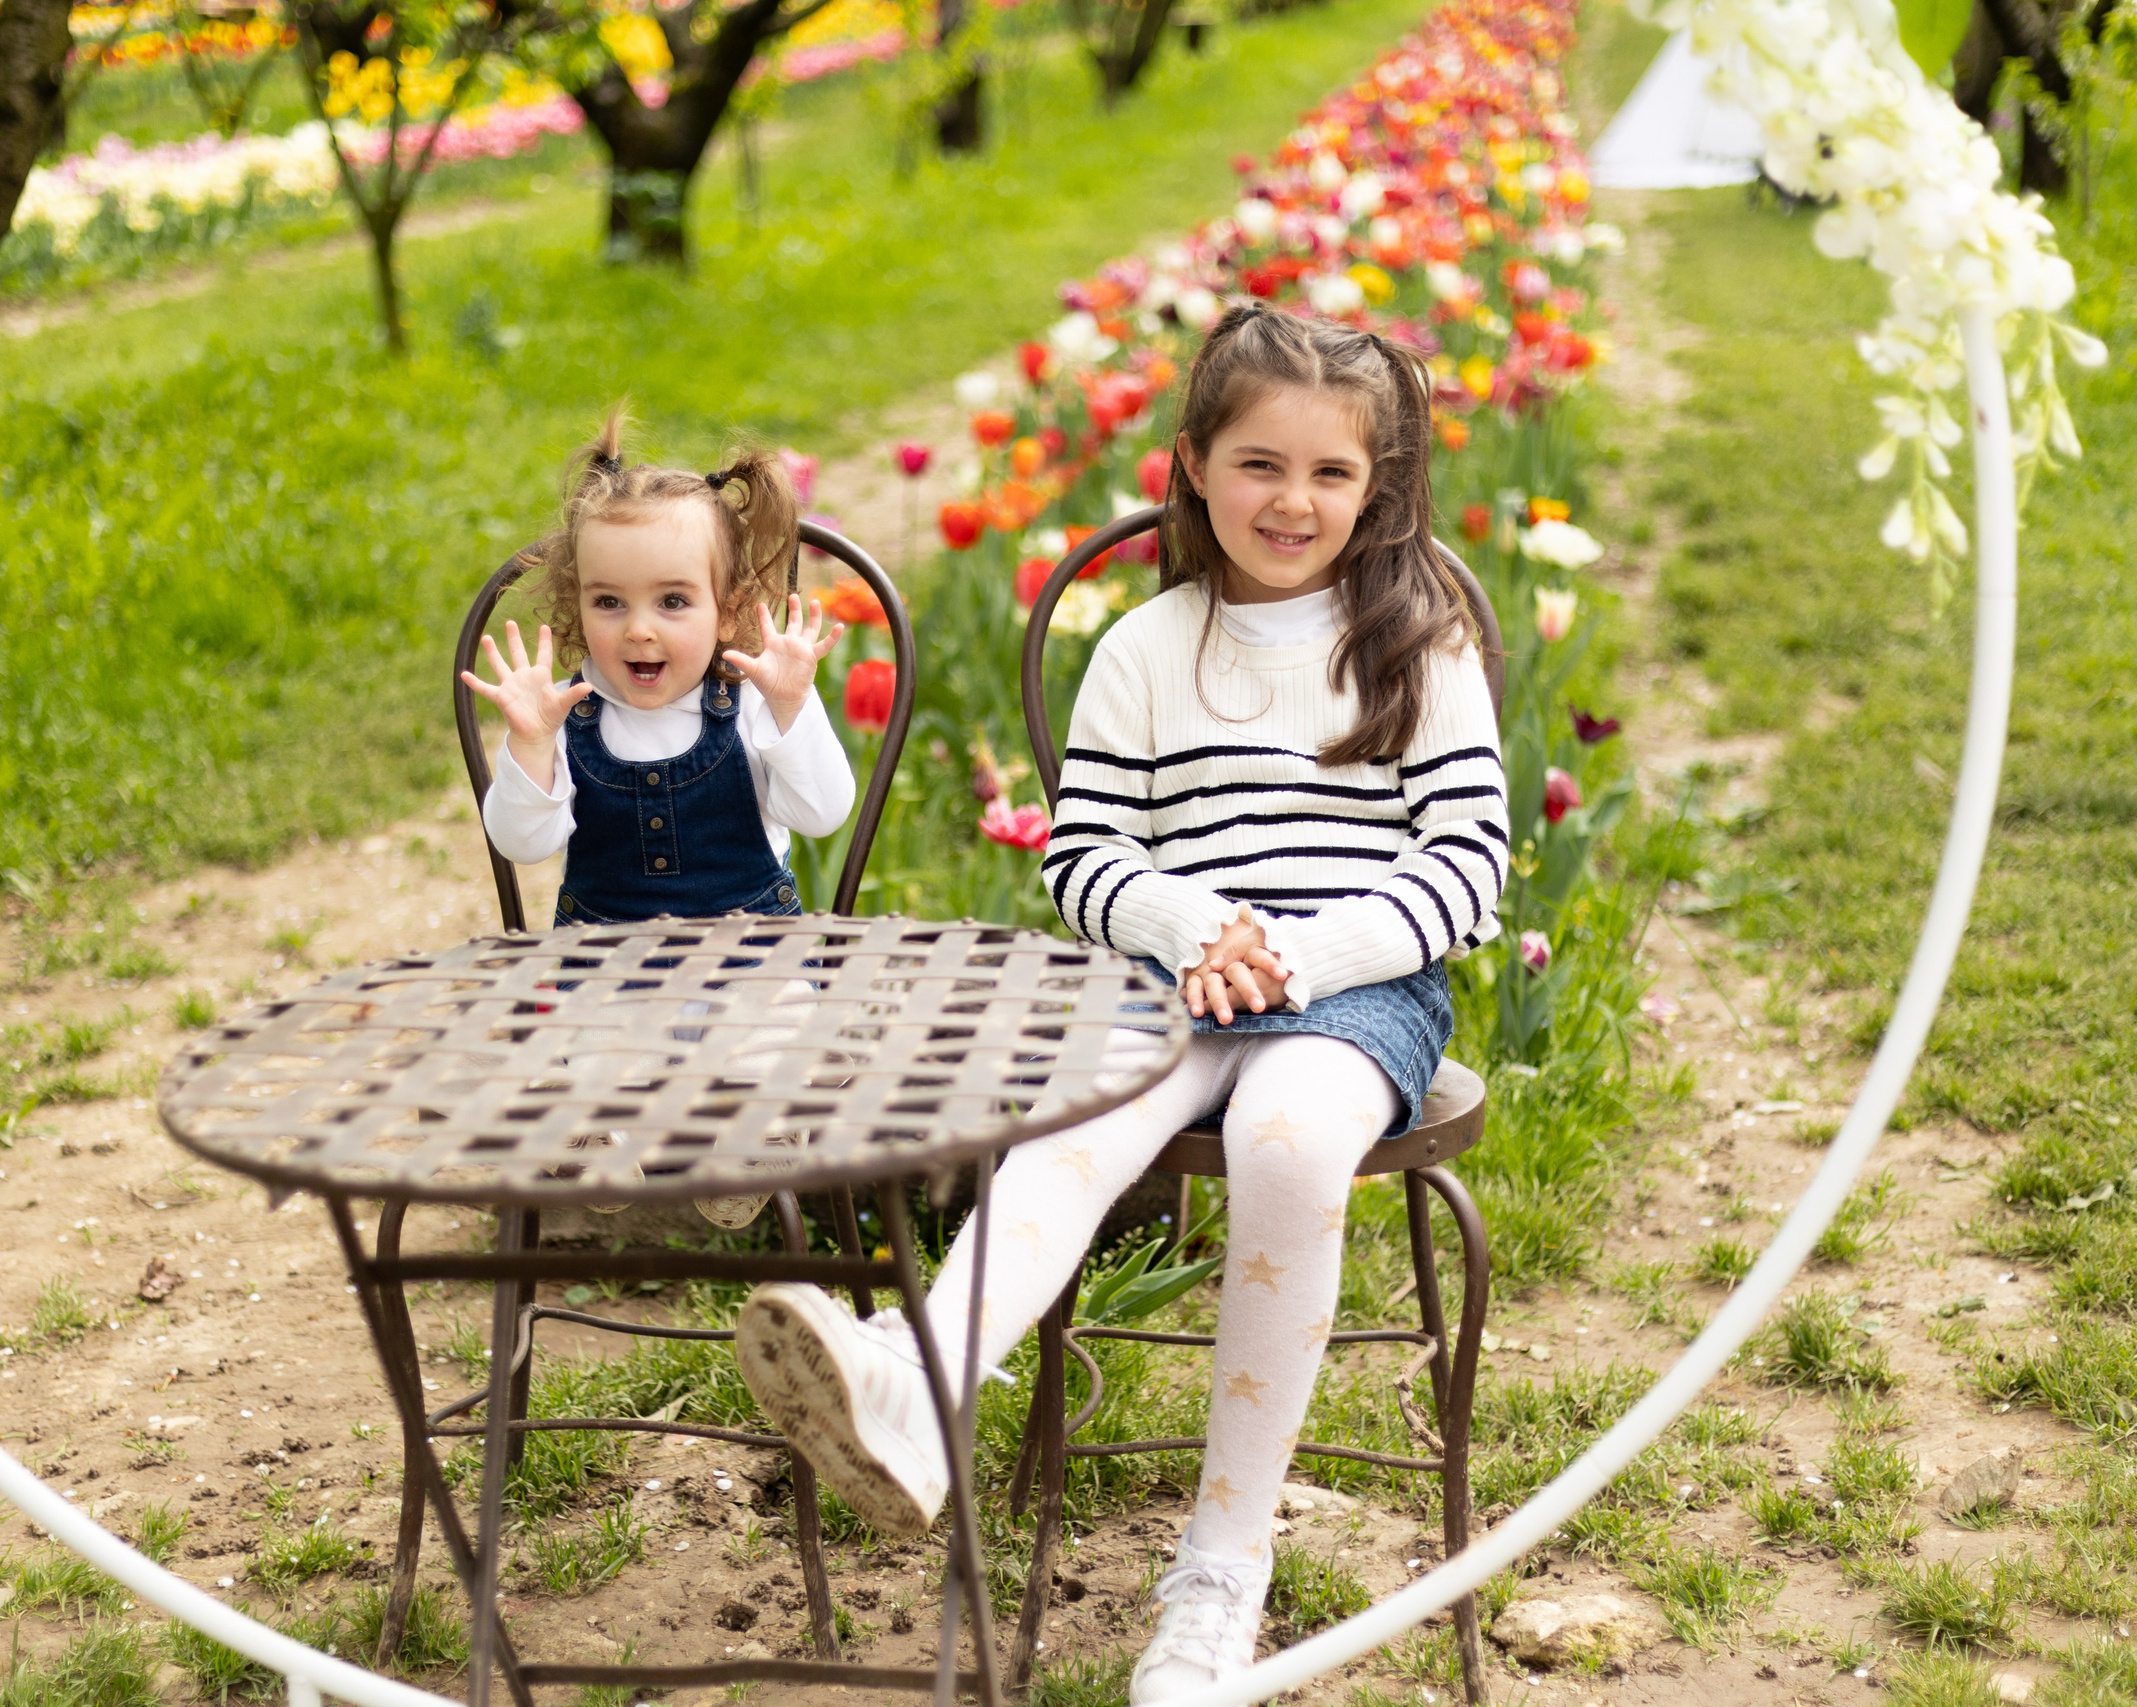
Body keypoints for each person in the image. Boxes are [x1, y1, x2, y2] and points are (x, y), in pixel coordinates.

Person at [732, 304, 1507, 1701]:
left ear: (1376, 484)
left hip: (1357, 990)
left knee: (1285, 1141)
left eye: (1331, 472)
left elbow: (1464, 865)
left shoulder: (1417, 645)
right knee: (1069, 1129)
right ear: (1194, 464)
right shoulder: (1146, 648)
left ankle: (1220, 1567)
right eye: (1260, 463)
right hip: (1169, 976)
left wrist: (1295, 957)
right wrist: (1196, 928)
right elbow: (1086, 854)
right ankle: (914, 1383)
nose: (1293, 500)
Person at [464, 413, 856, 1226]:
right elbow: (522, 842)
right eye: (609, 601)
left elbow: (824, 813)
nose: (638, 627)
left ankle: (748, 1139)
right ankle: (596, 1138)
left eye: (673, 600)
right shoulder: (563, 714)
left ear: (729, 608)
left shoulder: (752, 703)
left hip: (748, 957)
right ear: (577, 607)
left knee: (774, 1019)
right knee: (592, 1032)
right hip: (613, 965)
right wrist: (529, 745)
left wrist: (794, 708)